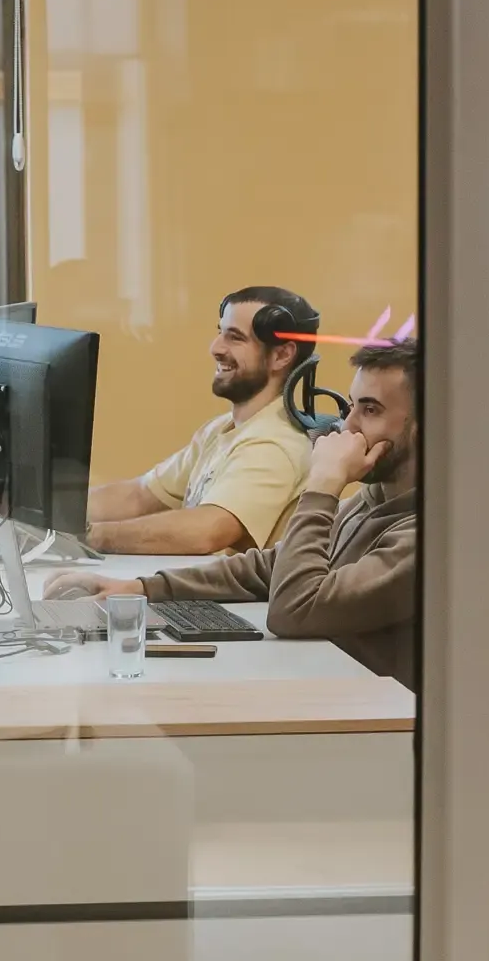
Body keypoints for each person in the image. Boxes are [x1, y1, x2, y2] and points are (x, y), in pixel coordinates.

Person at [50, 329, 419, 687]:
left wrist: (323, 485)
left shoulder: (429, 536)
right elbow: (269, 568)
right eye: (351, 405)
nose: (345, 426)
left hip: (377, 725)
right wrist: (139, 588)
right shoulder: (373, 501)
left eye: (369, 410)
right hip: (327, 686)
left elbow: (296, 609)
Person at [81, 285, 322, 562]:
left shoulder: (274, 443)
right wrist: (48, 516)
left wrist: (90, 536)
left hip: (232, 605)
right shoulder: (222, 428)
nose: (216, 348)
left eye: (235, 338)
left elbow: (208, 530)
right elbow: (140, 495)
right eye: (221, 332)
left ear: (281, 356)